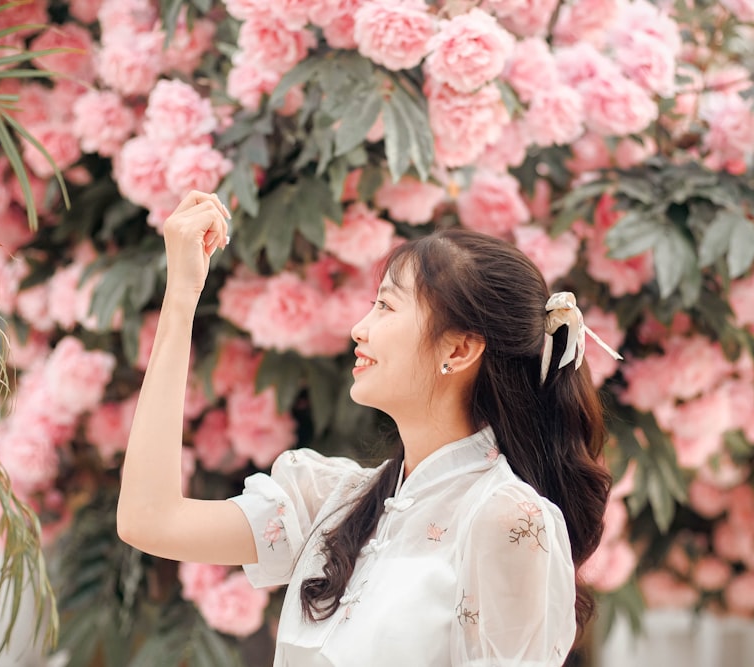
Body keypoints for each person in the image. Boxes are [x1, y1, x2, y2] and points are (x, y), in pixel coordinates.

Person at [117, 190, 618, 666]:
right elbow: (149, 519)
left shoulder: (503, 519)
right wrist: (182, 296)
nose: (360, 327)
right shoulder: (335, 502)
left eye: (386, 305)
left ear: (459, 349)